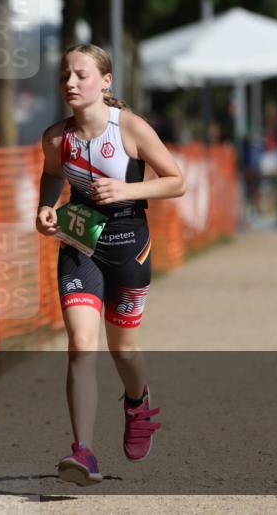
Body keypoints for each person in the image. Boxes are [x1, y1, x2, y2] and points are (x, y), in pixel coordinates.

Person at [36, 44, 185, 485]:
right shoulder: (55, 137)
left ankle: (137, 402)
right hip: (80, 242)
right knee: (81, 344)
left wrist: (127, 192)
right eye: (65, 75)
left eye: (81, 75)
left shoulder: (131, 129)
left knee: (123, 350)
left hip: (128, 245)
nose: (70, 83)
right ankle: (83, 452)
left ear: (105, 81)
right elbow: (51, 175)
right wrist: (45, 210)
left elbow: (176, 181)